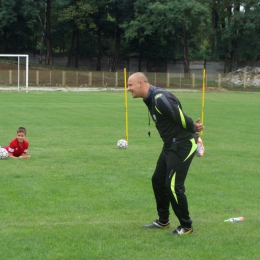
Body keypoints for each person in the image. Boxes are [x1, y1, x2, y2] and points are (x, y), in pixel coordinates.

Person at [127, 72, 204, 235]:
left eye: (130, 85)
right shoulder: (150, 98)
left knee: (174, 186)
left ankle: (186, 226)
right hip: (170, 145)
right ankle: (163, 221)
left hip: (183, 145)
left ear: (141, 83)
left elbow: (180, 117)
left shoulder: (159, 97)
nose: (128, 89)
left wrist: (192, 128)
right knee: (158, 180)